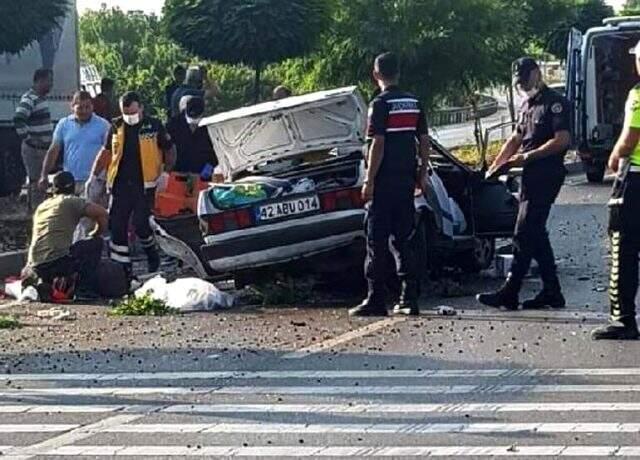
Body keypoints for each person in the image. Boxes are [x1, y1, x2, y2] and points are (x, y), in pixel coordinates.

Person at [477, 57, 571, 311]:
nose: (523, 85)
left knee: (523, 231)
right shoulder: (526, 105)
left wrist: (527, 157)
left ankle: (510, 291)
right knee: (535, 232)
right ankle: (552, 291)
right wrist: (495, 167)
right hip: (530, 176)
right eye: (519, 82)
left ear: (537, 74)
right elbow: (516, 138)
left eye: (525, 80)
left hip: (547, 174)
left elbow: (562, 140)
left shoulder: (556, 104)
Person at [349, 52, 430, 318]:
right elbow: (424, 140)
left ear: (376, 75)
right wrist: (423, 173)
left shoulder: (379, 104)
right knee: (404, 239)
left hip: (383, 183)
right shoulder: (414, 102)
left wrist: (369, 181)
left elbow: (378, 144)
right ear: (399, 73)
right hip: (406, 181)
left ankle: (376, 299)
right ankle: (410, 298)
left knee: (376, 240)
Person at [91, 91, 175, 278]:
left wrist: (166, 173)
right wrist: (94, 176)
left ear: (141, 108)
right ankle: (122, 268)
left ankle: (153, 256)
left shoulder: (153, 126)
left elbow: (169, 150)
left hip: (145, 185)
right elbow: (106, 153)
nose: (129, 117)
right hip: (120, 184)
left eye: (132, 113)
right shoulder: (116, 126)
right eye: (125, 113)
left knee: (141, 224)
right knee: (117, 225)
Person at [591, 41, 640, 340]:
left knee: (623, 248)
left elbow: (630, 137)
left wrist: (613, 155)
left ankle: (623, 319)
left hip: (634, 180)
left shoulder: (638, 95)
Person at [23, 171, 108, 299]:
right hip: (56, 263)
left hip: (34, 265)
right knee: (95, 243)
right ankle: (84, 291)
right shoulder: (70, 201)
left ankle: (46, 284)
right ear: (73, 188)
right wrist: (96, 233)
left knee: (62, 248)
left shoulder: (42, 206)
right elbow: (102, 214)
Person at [39, 90, 110, 195]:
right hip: (69, 181)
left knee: (89, 211)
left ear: (92, 106)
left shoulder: (104, 126)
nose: (84, 111)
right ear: (72, 107)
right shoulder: (64, 124)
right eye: (80, 108)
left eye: (87, 107)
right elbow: (54, 150)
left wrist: (107, 180)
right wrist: (44, 175)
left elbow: (109, 153)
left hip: (94, 181)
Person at [14, 68, 54, 207]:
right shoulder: (30, 98)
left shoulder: (40, 99)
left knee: (41, 183)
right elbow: (19, 118)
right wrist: (29, 138)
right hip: (34, 150)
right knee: (37, 183)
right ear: (40, 80)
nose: (51, 84)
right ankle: (36, 215)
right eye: (49, 81)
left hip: (42, 149)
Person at [167, 96, 217, 174]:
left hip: (202, 175)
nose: (193, 125)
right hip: (178, 174)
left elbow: (216, 154)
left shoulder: (210, 127)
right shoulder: (172, 125)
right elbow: (167, 149)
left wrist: (206, 173)